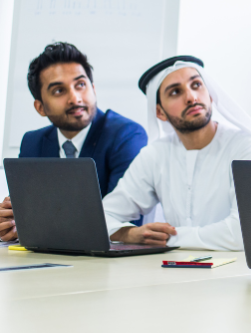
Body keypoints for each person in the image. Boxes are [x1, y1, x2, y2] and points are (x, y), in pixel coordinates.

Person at [101, 56, 251, 251]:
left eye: (196, 85)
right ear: (160, 112)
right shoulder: (155, 154)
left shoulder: (247, 148)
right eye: (176, 92)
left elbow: (244, 232)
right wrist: (129, 233)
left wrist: (168, 239)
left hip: (236, 274)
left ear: (210, 95)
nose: (191, 97)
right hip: (173, 272)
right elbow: (102, 216)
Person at [0, 42, 147, 242]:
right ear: (40, 107)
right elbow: (26, 216)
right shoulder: (33, 142)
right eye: (59, 91)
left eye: (80, 85)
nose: (75, 98)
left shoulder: (126, 135)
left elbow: (119, 219)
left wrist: (39, 223)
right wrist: (11, 223)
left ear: (93, 89)